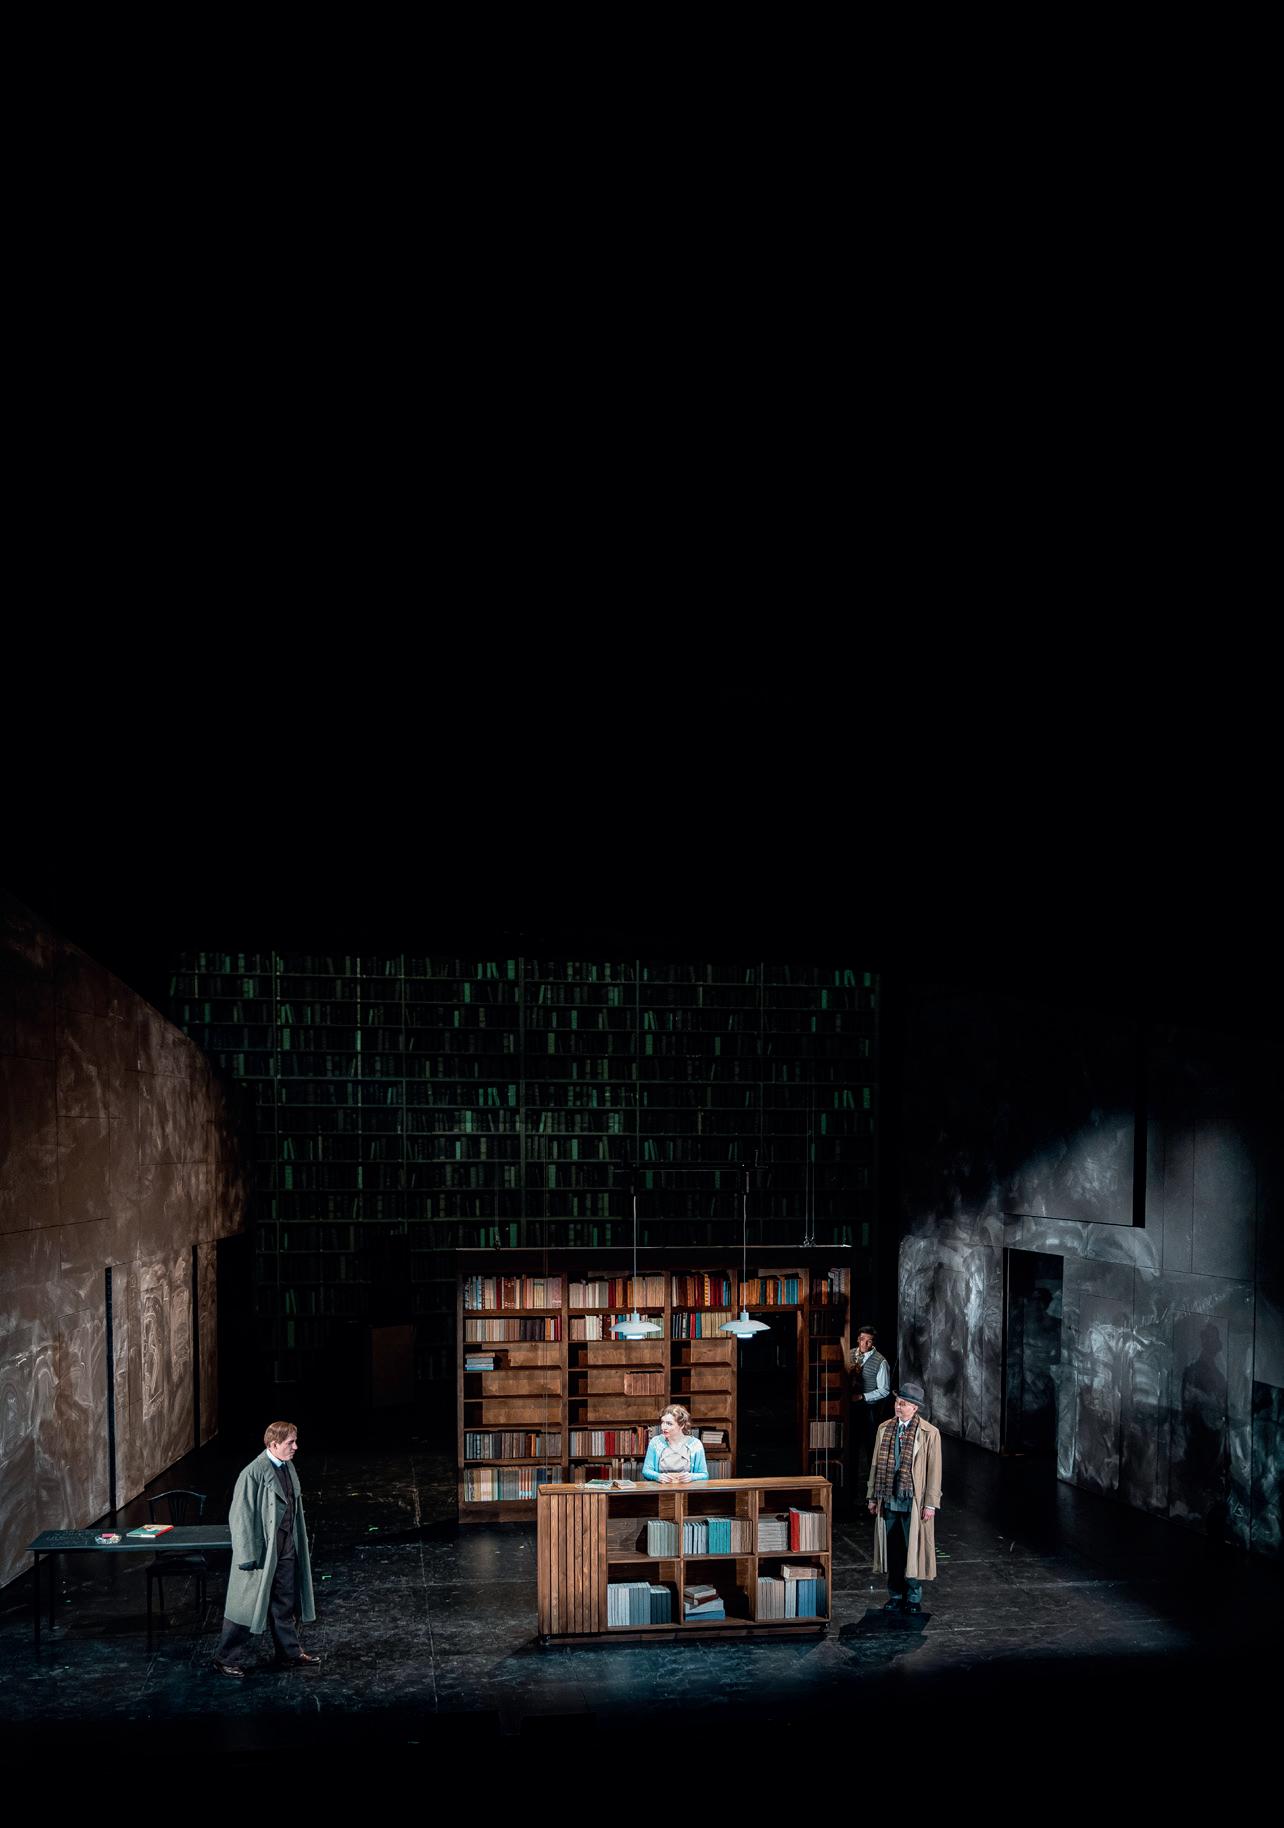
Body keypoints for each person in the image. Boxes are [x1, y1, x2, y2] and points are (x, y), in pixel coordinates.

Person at [213, 1421, 320, 1677]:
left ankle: (289, 1653)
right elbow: (240, 1517)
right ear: (273, 1444)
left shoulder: (287, 1466)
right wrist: (246, 1555)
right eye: (290, 1442)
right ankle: (225, 1658)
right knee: (246, 1605)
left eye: (295, 1441)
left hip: (285, 1546)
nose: (295, 1447)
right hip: (263, 1552)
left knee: (284, 1602)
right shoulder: (253, 1473)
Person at [866, 1382, 941, 1616]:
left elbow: (934, 1471)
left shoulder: (929, 1433)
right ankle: (895, 1595)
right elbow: (875, 1465)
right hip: (889, 1497)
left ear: (914, 1408)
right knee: (893, 1549)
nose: (898, 1407)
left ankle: (913, 1596)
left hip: (912, 1501)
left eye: (904, 1404)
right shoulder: (885, 1429)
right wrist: (872, 1496)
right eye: (898, 1402)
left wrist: (930, 1503)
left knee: (912, 1550)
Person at [850, 1324, 892, 1479]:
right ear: (858, 1339)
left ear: (873, 1342)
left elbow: (884, 1390)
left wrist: (863, 1396)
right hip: (849, 1408)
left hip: (868, 1410)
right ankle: (850, 1482)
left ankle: (872, 1483)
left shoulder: (881, 1361)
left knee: (870, 1447)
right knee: (850, 1446)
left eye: (869, 1341)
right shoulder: (849, 1354)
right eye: (862, 1339)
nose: (864, 1344)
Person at [641, 1405, 710, 1482]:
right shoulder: (656, 1442)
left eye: (669, 1424)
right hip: (661, 1487)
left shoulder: (695, 1444)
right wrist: (657, 1476)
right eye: (663, 1422)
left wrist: (692, 1477)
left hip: (687, 1488)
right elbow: (646, 1471)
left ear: (682, 1425)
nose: (663, 1427)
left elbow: (704, 1475)